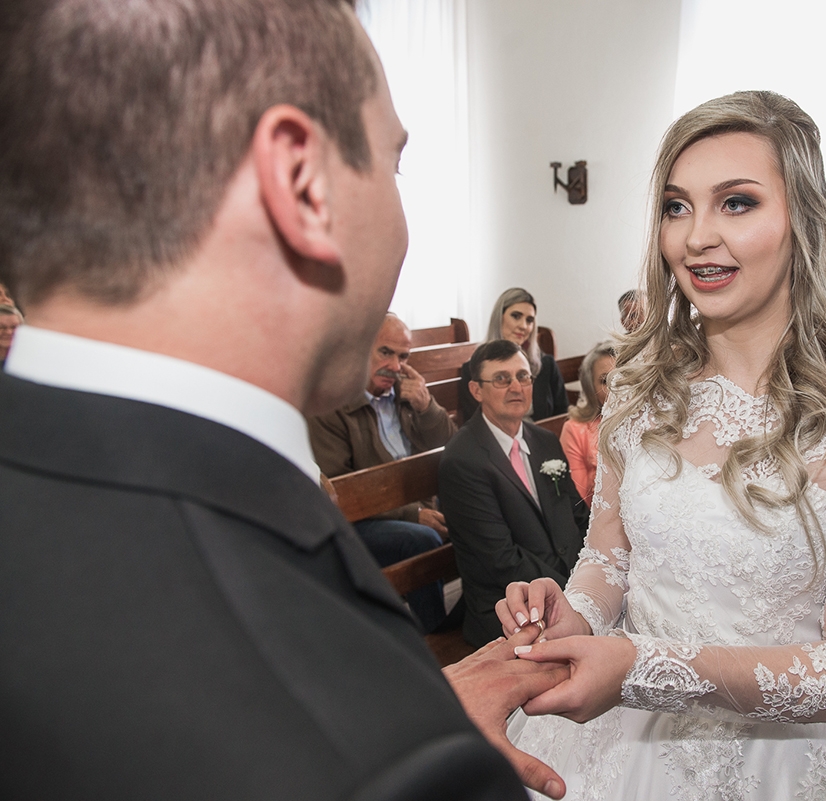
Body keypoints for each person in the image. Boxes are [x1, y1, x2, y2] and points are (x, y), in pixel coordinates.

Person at [0, 2, 569, 798]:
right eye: (392, 161)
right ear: (302, 182)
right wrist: (410, 720)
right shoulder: (388, 762)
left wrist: (417, 694)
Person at [496, 90, 826, 800]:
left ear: (802, 218)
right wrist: (569, 617)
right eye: (677, 206)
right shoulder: (642, 382)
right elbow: (608, 557)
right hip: (606, 754)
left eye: (736, 202)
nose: (696, 236)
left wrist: (642, 669)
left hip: (775, 767)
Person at [308, 312, 456, 632]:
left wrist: (427, 407)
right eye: (385, 352)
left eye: (403, 357)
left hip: (419, 504)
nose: (395, 365)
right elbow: (341, 492)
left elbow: (454, 449)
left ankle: (475, 616)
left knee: (481, 507)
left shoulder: (406, 394)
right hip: (362, 521)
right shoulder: (331, 404)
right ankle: (435, 636)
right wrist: (412, 514)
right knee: (422, 539)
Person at [440, 339, 589, 648]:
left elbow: (577, 516)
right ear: (476, 390)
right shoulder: (463, 460)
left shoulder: (545, 441)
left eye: (523, 376)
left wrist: (591, 577)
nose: (516, 387)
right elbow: (501, 559)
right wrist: (572, 594)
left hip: (566, 588)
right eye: (501, 379)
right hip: (510, 608)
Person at [457, 288, 568, 422]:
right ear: (499, 317)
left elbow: (562, 416)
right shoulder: (473, 369)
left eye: (529, 320)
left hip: (542, 439)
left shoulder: (546, 364)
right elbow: (474, 424)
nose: (523, 326)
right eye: (516, 316)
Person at [558, 341, 616, 506]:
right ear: (591, 389)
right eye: (605, 381)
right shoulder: (575, 429)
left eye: (621, 376)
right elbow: (579, 501)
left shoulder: (649, 421)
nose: (615, 386)